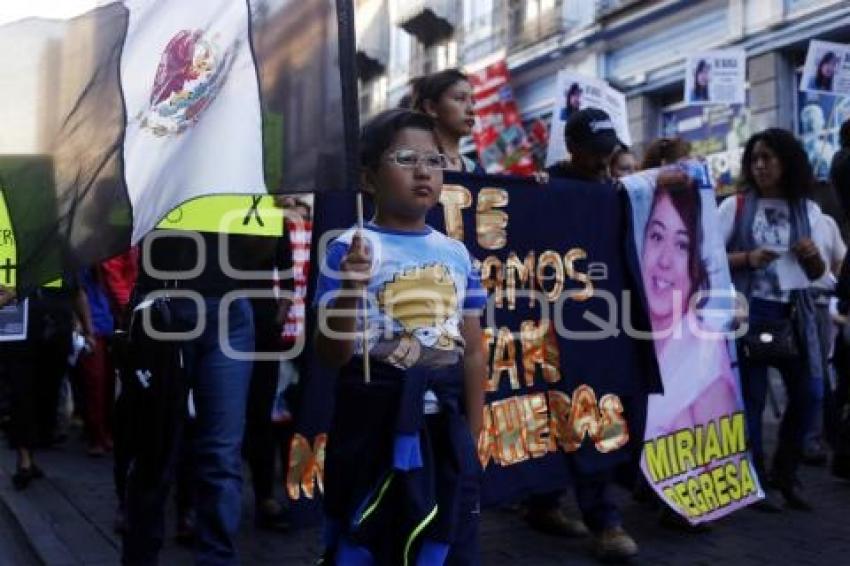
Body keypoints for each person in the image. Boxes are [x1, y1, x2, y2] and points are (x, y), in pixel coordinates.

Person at [315, 108, 486, 565]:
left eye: (433, 160)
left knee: (445, 540)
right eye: (406, 159)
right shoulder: (347, 248)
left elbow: (472, 349)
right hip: (371, 430)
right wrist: (352, 287)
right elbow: (331, 353)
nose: (423, 170)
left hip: (442, 430)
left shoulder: (458, 254)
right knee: (373, 539)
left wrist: (472, 430)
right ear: (369, 178)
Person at [122, 230, 257, 565]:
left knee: (222, 454)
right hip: (165, 307)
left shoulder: (246, 177)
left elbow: (260, 249)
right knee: (155, 449)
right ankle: (140, 555)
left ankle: (217, 558)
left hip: (229, 309)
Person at [546, 107, 640, 561]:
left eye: (610, 156)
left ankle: (569, 508)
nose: (604, 166)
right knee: (573, 414)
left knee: (595, 413)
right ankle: (598, 518)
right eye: (595, 157)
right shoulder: (546, 191)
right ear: (573, 150)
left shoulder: (616, 190)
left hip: (611, 321)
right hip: (561, 325)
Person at [718, 128, 827, 511]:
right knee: (750, 402)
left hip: (793, 318)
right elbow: (708, 260)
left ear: (787, 161)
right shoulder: (735, 207)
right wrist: (747, 259)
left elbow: (818, 274)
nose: (760, 166)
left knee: (810, 394)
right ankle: (755, 480)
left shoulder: (809, 211)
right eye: (755, 159)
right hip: (747, 316)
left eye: (769, 158)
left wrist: (812, 255)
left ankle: (787, 471)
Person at [641, 169, 738, 436]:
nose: (664, 260)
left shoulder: (704, 364)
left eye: (682, 245)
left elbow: (723, 472)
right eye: (657, 236)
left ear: (695, 262)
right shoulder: (633, 334)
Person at [412, 69, 484, 174]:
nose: (471, 110)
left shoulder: (475, 170)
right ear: (431, 108)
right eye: (460, 99)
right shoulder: (414, 166)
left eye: (473, 102)